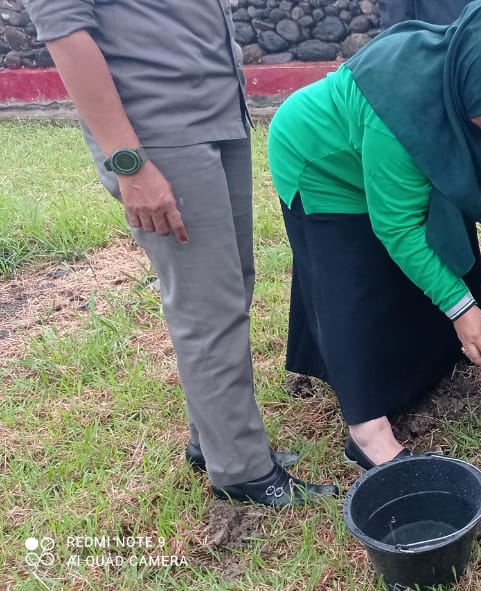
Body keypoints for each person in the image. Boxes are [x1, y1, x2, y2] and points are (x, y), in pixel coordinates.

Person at [26, 0, 337, 505]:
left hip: (217, 114)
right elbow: (65, 31)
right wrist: (128, 162)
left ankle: (212, 441)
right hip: (158, 133)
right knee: (206, 305)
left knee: (229, 288)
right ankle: (241, 470)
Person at [267, 0, 481, 470]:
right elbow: (397, 227)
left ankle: (426, 365)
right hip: (322, 161)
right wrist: (459, 306)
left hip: (387, 155)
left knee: (434, 244)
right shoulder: (401, 110)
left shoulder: (479, 88)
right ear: (468, 88)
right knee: (353, 281)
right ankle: (367, 433)